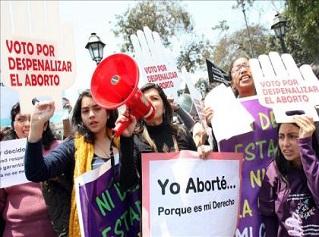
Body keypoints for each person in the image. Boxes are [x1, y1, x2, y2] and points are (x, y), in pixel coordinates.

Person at [24, 90, 119, 237]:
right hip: (92, 229)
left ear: (108, 112)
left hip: (126, 222)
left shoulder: (124, 141)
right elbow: (36, 172)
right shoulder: (74, 146)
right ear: (80, 116)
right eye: (85, 111)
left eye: (97, 108)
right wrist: (36, 128)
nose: (91, 115)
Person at [118, 82, 197, 191]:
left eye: (154, 98)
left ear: (164, 106)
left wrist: (204, 153)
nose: (149, 103)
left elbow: (198, 171)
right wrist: (126, 139)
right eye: (144, 101)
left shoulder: (181, 132)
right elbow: (128, 184)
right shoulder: (135, 139)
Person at [0, 102, 58, 237]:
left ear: (45, 124)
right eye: (20, 119)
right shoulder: (4, 155)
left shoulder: (60, 150)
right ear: (13, 125)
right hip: (16, 231)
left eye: (32, 118)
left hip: (55, 229)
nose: (27, 124)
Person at [259, 115, 319, 236]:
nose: (285, 144)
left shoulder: (315, 164)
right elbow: (267, 214)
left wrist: (305, 146)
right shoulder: (274, 170)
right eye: (281, 137)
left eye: (292, 136)